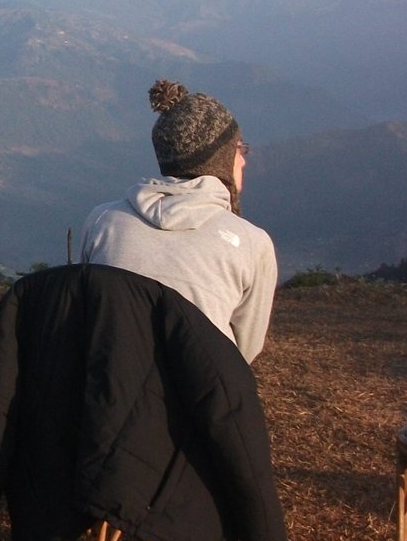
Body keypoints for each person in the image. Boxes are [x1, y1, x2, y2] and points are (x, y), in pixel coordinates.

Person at [79, 79, 276, 364]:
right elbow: (242, 352)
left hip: (104, 393)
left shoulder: (102, 221)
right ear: (219, 158)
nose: (244, 161)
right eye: (239, 149)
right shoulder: (253, 244)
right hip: (199, 398)